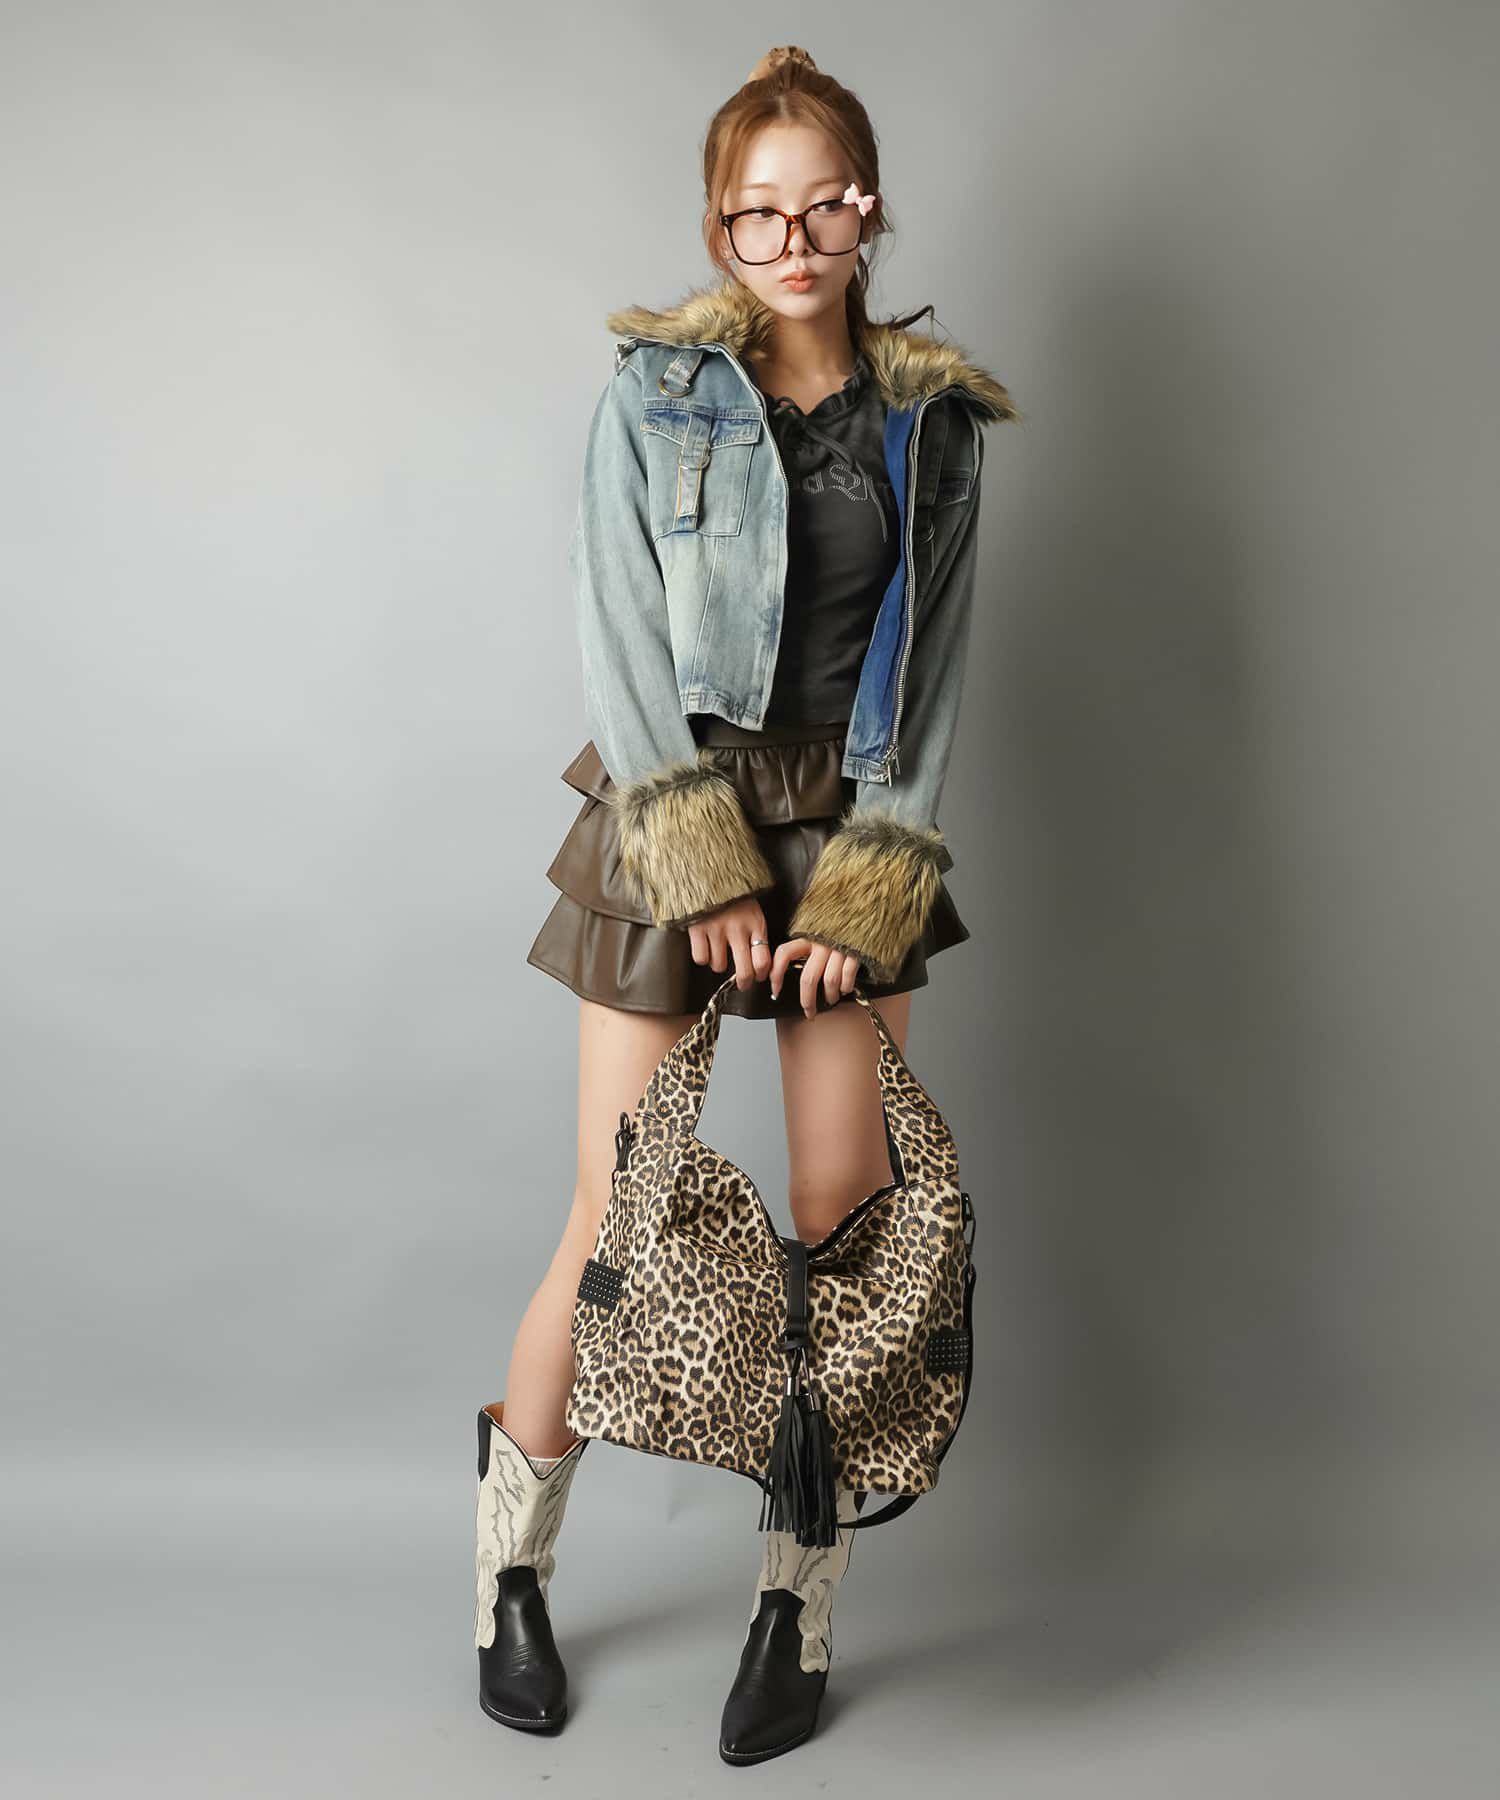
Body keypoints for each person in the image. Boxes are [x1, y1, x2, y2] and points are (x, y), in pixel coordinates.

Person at [473, 43, 1018, 1765]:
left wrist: (864, 888)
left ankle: (798, 1602)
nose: (789, 241)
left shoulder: (936, 427)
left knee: (839, 1225)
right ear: (719, 223)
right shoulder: (653, 396)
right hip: (675, 812)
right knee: (614, 1213)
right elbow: (620, 633)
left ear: (868, 210)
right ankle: (509, 1568)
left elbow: (934, 684)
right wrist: (701, 860)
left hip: (852, 830)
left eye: (820, 206)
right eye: (753, 213)